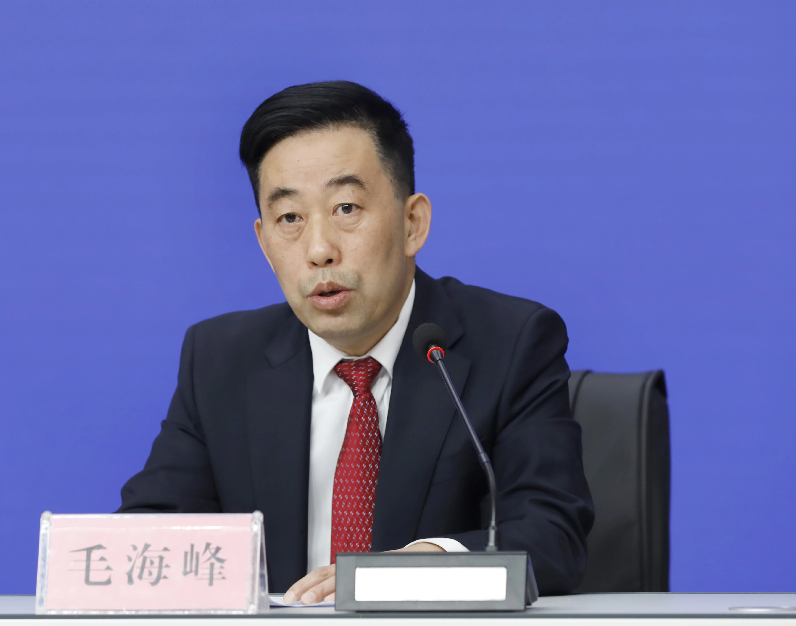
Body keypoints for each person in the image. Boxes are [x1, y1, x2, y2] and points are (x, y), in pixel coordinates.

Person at [118, 81, 594, 602]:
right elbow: (149, 537)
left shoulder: (510, 343)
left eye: (346, 208)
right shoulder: (220, 359)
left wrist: (424, 567)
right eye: (290, 218)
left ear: (412, 224)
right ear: (264, 243)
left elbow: (551, 533)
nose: (319, 249)